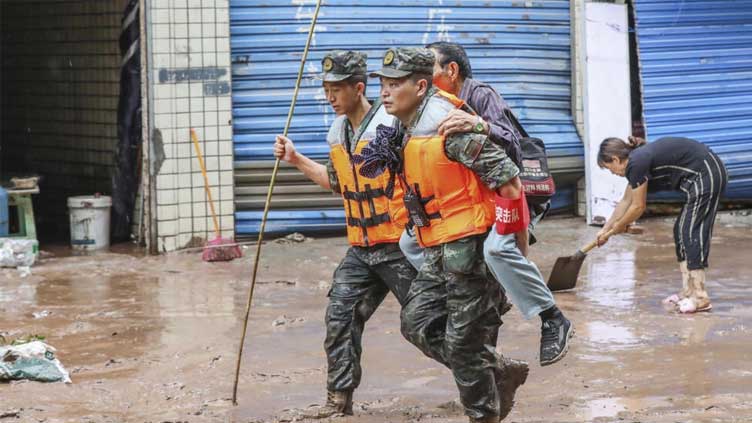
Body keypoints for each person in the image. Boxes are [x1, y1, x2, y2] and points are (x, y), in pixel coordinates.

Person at [367, 47, 528, 423]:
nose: (385, 93)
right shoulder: (404, 131)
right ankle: (497, 370)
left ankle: (483, 413)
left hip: (472, 250)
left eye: (394, 85)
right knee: (416, 323)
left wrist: (513, 255)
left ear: (421, 86)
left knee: (464, 343)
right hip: (438, 248)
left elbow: (510, 184)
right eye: (383, 85)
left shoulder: (448, 128)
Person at [398, 41, 573, 366]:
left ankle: (552, 318)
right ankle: (469, 292)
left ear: (451, 71)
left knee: (497, 250)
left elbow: (510, 142)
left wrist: (477, 123)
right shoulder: (426, 107)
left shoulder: (479, 95)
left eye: (429, 69)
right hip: (475, 199)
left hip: (513, 190)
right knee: (409, 242)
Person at [273, 50, 416, 417]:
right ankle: (339, 402)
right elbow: (337, 183)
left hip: (400, 245)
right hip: (362, 248)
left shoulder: (392, 123)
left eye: (337, 89)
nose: (330, 96)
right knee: (339, 317)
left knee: (425, 326)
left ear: (358, 87)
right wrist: (295, 158)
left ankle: (488, 374)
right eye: (326, 89)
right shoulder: (338, 132)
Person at [596, 136, 728, 313]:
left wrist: (620, 225)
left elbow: (638, 206)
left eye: (610, 169)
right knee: (680, 231)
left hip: (706, 174)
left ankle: (700, 296)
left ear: (615, 159)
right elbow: (626, 201)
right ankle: (688, 292)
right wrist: (606, 229)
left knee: (690, 232)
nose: (613, 173)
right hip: (700, 177)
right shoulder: (636, 162)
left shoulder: (636, 162)